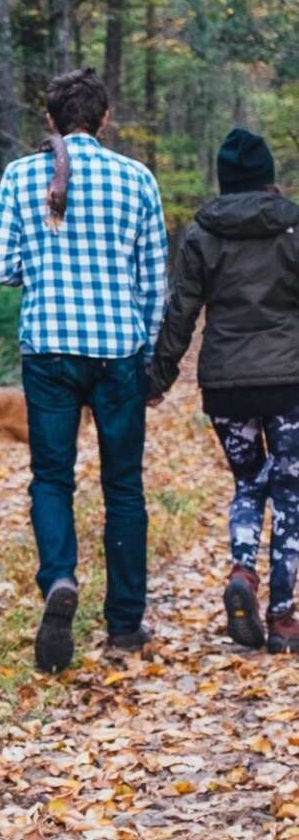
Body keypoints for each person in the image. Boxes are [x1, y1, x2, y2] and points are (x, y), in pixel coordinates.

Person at [0, 67, 168, 673]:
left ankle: (60, 579)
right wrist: (148, 359)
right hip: (118, 350)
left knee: (52, 478)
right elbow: (154, 283)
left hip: (49, 351)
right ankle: (124, 623)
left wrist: (42, 268)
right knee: (123, 486)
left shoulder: (19, 176)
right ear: (104, 118)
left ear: (50, 121)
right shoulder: (136, 178)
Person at [150, 129, 299, 654]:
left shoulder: (202, 234)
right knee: (289, 491)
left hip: (225, 383)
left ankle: (242, 570)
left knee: (247, 482)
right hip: (288, 382)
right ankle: (282, 620)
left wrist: (158, 377)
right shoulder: (292, 228)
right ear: (267, 176)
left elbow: (181, 311)